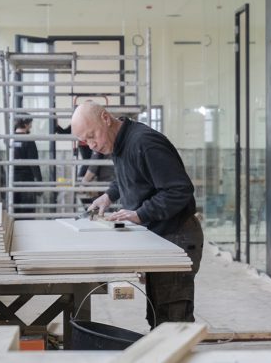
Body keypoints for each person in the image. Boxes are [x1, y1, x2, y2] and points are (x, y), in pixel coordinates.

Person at [71, 100, 204, 328]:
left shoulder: (144, 142)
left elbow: (179, 190)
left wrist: (139, 214)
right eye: (86, 140)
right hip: (159, 236)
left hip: (176, 237)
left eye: (92, 136)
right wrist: (109, 196)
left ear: (105, 118)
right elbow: (131, 175)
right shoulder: (120, 143)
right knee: (158, 316)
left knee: (172, 319)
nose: (92, 145)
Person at [13, 116, 42, 213]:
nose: (31, 126)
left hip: (13, 181)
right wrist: (39, 183)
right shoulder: (29, 141)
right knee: (27, 211)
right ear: (25, 124)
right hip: (27, 181)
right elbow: (34, 164)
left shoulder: (10, 139)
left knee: (14, 209)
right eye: (30, 123)